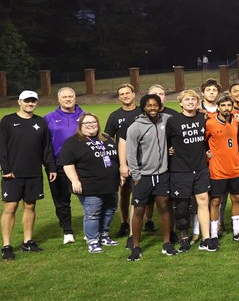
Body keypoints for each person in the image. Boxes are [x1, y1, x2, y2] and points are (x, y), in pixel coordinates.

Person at [0, 90, 56, 260]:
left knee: (30, 206)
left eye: (33, 101)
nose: (30, 104)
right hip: (12, 174)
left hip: (34, 173)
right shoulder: (7, 121)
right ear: (19, 102)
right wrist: (5, 170)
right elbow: (0, 147)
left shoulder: (40, 122)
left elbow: (46, 148)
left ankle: (27, 242)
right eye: (27, 101)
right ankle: (6, 245)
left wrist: (51, 167)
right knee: (10, 207)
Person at [58, 112, 120, 253]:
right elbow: (67, 164)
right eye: (87, 123)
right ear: (80, 126)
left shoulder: (106, 138)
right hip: (89, 185)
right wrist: (75, 180)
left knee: (110, 210)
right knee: (93, 213)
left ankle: (104, 235)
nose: (91, 125)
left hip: (110, 184)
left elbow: (116, 158)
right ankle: (92, 241)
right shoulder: (73, 142)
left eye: (94, 122)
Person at [123, 93, 173, 260]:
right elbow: (130, 154)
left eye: (155, 105)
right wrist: (136, 176)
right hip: (143, 176)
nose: (153, 108)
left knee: (164, 207)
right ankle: (136, 246)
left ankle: (167, 243)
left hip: (162, 173)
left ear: (160, 106)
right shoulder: (135, 127)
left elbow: (184, 118)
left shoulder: (166, 119)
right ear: (143, 107)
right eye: (149, 105)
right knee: (139, 210)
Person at [165, 89, 212, 252]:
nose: (190, 102)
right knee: (182, 206)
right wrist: (169, 150)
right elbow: (165, 142)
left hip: (200, 168)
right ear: (181, 103)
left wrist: (207, 150)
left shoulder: (202, 118)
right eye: (187, 100)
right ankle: (184, 238)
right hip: (180, 169)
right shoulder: (173, 121)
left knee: (203, 202)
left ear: (197, 102)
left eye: (193, 99)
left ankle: (206, 238)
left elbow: (207, 139)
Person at [43, 86, 85, 245]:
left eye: (70, 97)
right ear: (58, 100)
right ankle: (67, 230)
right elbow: (45, 146)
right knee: (61, 200)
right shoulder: (49, 118)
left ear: (75, 98)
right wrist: (50, 166)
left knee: (87, 197)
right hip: (58, 165)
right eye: (64, 97)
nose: (68, 99)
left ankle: (91, 229)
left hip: (81, 165)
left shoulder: (84, 116)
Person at [205, 94, 239, 249]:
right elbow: (202, 141)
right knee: (215, 201)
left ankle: (237, 232)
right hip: (218, 169)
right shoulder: (210, 123)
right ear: (218, 107)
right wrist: (206, 153)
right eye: (223, 106)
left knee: (237, 199)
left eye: (229, 106)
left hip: (236, 168)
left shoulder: (237, 121)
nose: (227, 108)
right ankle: (213, 234)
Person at [104, 83, 140, 238]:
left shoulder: (142, 112)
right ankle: (124, 223)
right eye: (122, 94)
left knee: (139, 193)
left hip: (142, 159)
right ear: (119, 97)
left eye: (127, 93)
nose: (125, 96)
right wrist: (115, 162)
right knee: (124, 192)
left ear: (133, 94)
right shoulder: (114, 116)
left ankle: (139, 223)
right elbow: (107, 139)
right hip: (122, 161)